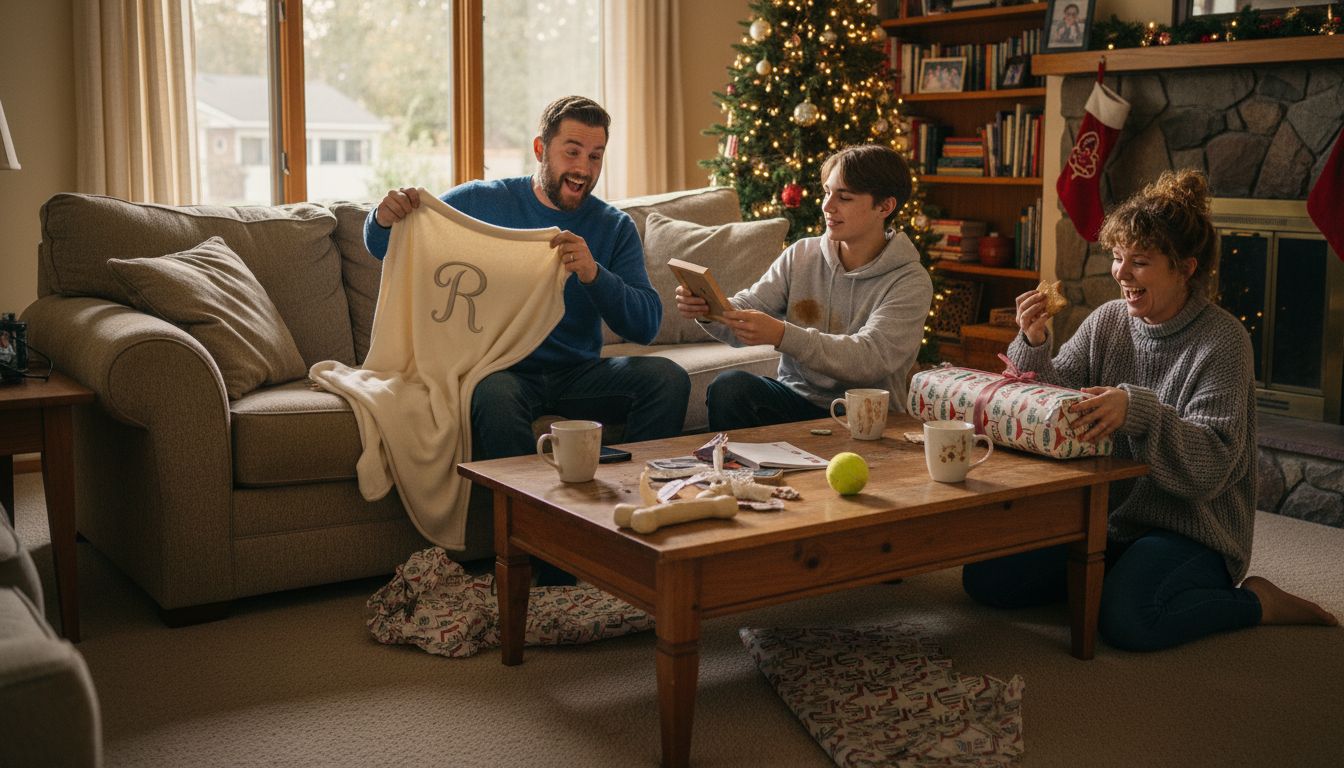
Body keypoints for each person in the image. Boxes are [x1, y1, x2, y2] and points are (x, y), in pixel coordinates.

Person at [961, 169, 1337, 651]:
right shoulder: (1108, 322)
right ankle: (1110, 575)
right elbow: (1052, 409)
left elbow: (1212, 466)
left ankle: (1258, 603)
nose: (1120, 274)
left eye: (1139, 262)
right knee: (986, 580)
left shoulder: (1223, 342)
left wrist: (1138, 410)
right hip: (1104, 514)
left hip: (1191, 528)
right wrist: (1033, 343)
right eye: (1118, 258)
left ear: (1185, 268)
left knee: (1129, 621)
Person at [366, 95, 691, 583]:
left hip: (578, 372)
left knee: (667, 378)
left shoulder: (613, 227)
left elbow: (645, 325)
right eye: (572, 151)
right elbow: (391, 245)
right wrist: (383, 216)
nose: (583, 167)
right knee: (491, 397)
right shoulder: (482, 201)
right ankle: (541, 560)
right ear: (542, 148)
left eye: (596, 155)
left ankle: (629, 528)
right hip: (502, 370)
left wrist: (594, 274)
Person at [675, 144, 933, 431]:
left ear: (885, 207)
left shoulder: (909, 280)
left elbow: (870, 358)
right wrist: (710, 309)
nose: (826, 206)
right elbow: (750, 307)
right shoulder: (802, 255)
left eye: (844, 197)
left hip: (863, 416)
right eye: (826, 192)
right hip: (795, 401)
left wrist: (783, 334)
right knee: (730, 387)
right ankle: (739, 475)